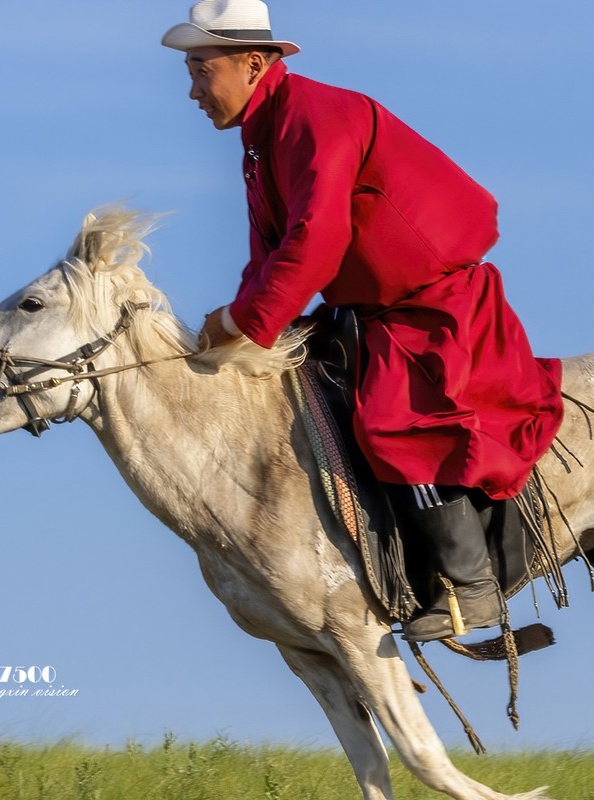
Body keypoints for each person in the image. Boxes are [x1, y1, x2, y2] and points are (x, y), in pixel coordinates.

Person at [162, 0, 564, 641]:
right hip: (367, 308)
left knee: (394, 423)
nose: (191, 91)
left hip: (430, 305)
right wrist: (232, 329)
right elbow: (267, 255)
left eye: (200, 70)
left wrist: (246, 323)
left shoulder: (316, 119)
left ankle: (473, 587)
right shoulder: (260, 144)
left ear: (254, 62)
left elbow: (317, 241)